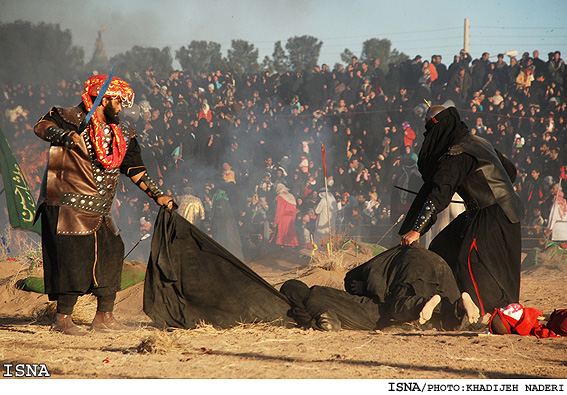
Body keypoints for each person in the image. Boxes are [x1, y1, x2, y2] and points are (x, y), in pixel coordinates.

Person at [34, 74, 174, 335]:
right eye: (118, 103)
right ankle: (63, 319)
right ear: (103, 99)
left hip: (99, 208)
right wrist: (65, 137)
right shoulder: (69, 117)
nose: (121, 109)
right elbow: (41, 127)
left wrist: (158, 196)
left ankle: (104, 317)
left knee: (112, 253)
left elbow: (135, 169)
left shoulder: (123, 132)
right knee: (72, 260)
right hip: (67, 203)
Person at [399, 103, 525, 318]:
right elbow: (510, 172)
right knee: (442, 246)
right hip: (501, 209)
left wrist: (416, 230)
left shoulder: (457, 152)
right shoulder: (479, 142)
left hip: (492, 214)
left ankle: (483, 310)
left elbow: (439, 193)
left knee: (470, 259)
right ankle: (449, 302)